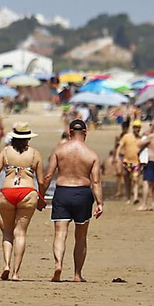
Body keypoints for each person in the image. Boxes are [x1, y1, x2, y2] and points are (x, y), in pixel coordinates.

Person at [40, 117, 103, 282]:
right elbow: (96, 181)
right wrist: (99, 203)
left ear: (70, 133)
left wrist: (41, 195)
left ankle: (58, 265)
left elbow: (48, 176)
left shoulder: (59, 150)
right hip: (83, 193)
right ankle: (77, 274)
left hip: (63, 192)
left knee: (60, 233)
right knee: (81, 237)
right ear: (85, 133)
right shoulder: (91, 154)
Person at [0, 124, 43, 281]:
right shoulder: (35, 154)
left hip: (7, 192)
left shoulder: (5, 152)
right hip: (27, 192)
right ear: (28, 138)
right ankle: (15, 273)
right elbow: (41, 180)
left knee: (7, 231)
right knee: (20, 233)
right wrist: (41, 197)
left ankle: (6, 264)